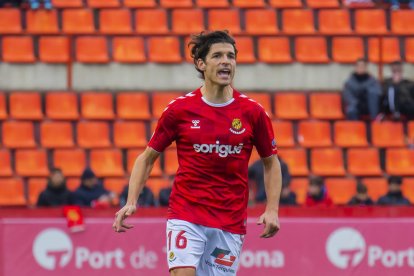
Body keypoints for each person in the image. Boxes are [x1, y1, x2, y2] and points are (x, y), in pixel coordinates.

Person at [113, 30, 282, 276]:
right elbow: (147, 158)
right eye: (218, 56)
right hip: (186, 212)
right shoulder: (179, 110)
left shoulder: (253, 112)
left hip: (230, 218)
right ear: (201, 64)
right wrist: (131, 201)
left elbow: (271, 163)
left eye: (231, 56)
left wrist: (272, 209)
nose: (226, 61)